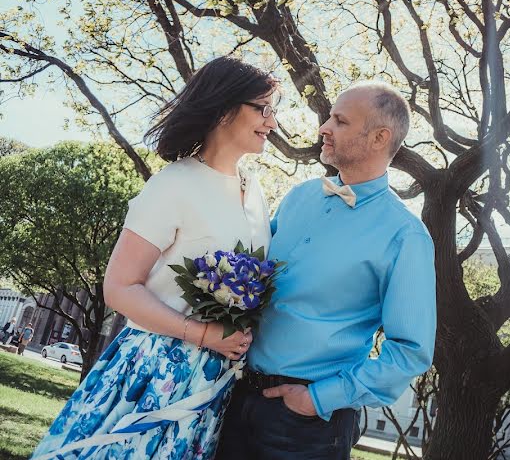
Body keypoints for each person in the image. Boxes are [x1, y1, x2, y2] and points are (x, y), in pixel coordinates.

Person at [31, 56, 278, 460]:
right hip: (151, 373)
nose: (272, 121)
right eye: (264, 108)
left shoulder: (256, 190)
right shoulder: (174, 183)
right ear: (224, 108)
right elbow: (119, 286)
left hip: (212, 384)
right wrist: (201, 335)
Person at [217, 82, 437, 460]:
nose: (324, 128)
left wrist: (316, 399)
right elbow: (250, 277)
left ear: (378, 137)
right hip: (236, 397)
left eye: (340, 120)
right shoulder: (300, 196)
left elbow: (411, 352)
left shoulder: (405, 235)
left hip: (307, 425)